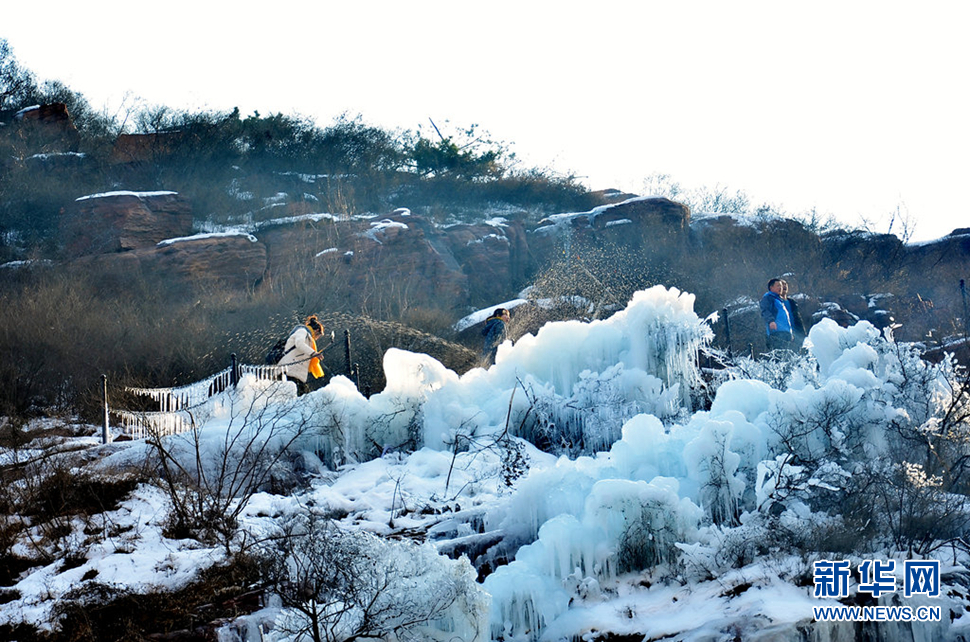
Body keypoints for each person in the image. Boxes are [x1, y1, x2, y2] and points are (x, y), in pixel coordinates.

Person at [278, 315, 326, 395]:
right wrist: (314, 353)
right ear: (317, 330)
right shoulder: (302, 331)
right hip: (290, 370)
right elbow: (299, 344)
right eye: (319, 336)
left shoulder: (308, 338)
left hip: (295, 373)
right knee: (301, 399)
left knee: (301, 398)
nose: (317, 338)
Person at [760, 278, 794, 352]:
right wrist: (771, 321)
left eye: (781, 286)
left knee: (786, 354)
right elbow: (765, 310)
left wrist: (790, 332)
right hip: (777, 332)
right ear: (771, 287)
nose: (780, 288)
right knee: (779, 354)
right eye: (778, 286)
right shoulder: (768, 298)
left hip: (785, 332)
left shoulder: (779, 300)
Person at [780, 280, 807, 350]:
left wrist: (802, 332)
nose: (784, 286)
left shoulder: (792, 302)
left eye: (785, 284)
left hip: (796, 333)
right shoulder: (775, 302)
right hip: (783, 334)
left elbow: (798, 318)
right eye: (782, 284)